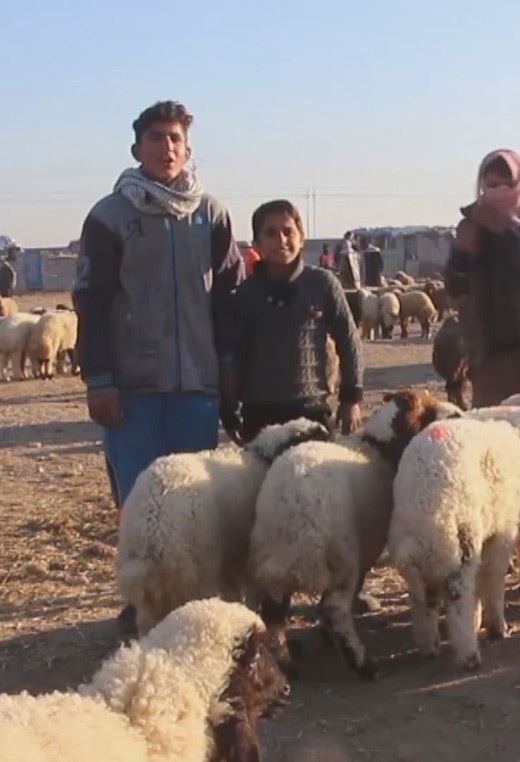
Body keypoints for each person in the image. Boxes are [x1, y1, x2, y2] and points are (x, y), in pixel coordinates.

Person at [71, 100, 243, 632]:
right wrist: (100, 380)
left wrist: (228, 366)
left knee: (193, 501)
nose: (166, 148)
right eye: (155, 138)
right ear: (136, 148)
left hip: (195, 384)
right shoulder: (110, 216)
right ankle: (142, 600)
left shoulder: (209, 214)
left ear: (188, 150)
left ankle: (191, 601)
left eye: (175, 139)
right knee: (137, 500)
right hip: (133, 387)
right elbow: (92, 302)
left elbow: (229, 297)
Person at [224, 198, 362, 442]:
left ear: (301, 238)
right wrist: (229, 409)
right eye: (271, 233)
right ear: (257, 244)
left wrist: (351, 398)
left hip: (310, 410)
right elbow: (234, 355)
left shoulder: (323, 284)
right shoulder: (246, 293)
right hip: (259, 414)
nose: (281, 240)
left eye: (288, 232)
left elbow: (349, 341)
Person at [445, 148, 520, 407]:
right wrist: (461, 256)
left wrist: (504, 228)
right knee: (491, 426)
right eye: (491, 185)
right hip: (489, 353)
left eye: (506, 185)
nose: (498, 192)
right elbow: (455, 287)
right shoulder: (472, 224)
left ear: (519, 182)